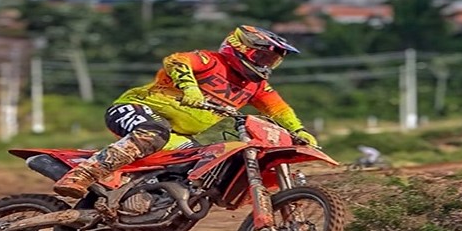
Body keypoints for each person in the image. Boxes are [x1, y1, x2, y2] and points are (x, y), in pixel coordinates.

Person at [53, 25, 318, 199]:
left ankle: (139, 202)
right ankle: (82, 174)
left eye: (271, 60)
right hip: (135, 108)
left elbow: (279, 108)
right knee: (153, 133)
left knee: (198, 167)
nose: (265, 65)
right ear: (240, 48)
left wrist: (299, 131)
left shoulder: (256, 85)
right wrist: (190, 88)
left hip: (178, 132)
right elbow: (176, 60)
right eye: (261, 58)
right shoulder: (210, 60)